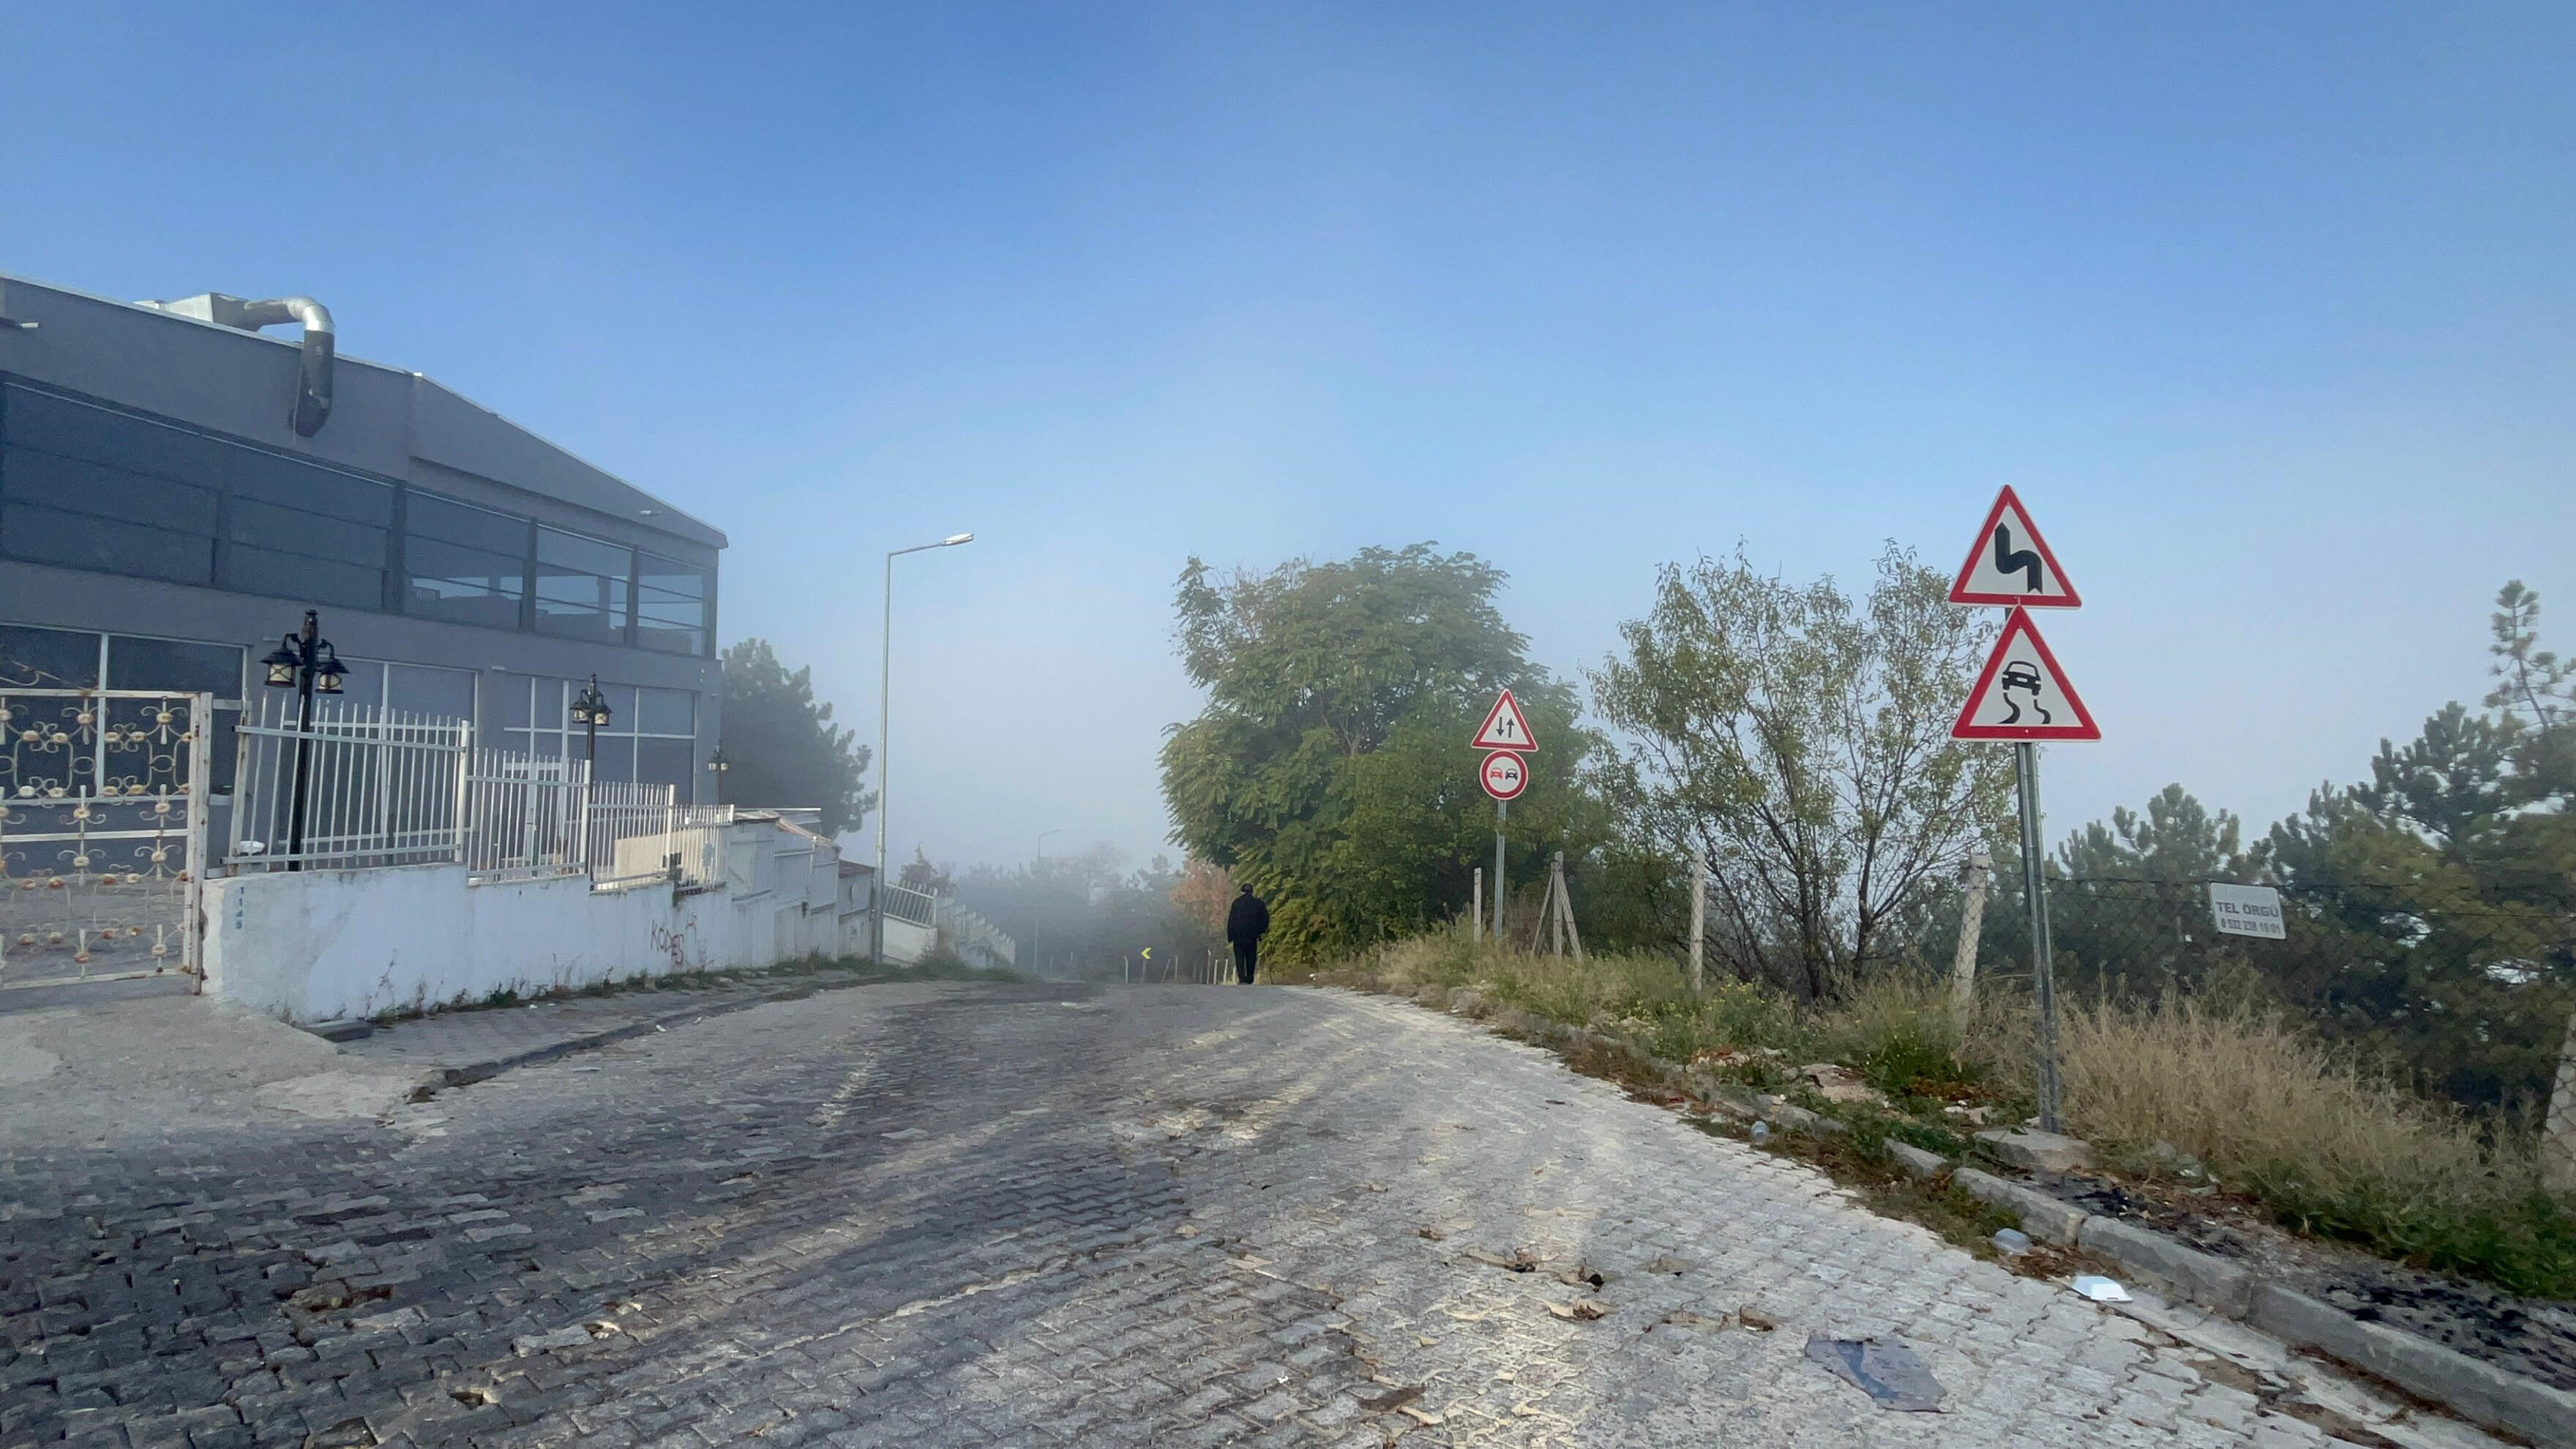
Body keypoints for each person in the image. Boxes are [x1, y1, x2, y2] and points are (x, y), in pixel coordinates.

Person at [1224, 883, 1270, 985]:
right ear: (1252, 891)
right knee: (1251, 957)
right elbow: (1265, 919)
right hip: (1252, 936)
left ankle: (1242, 978)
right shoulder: (1258, 903)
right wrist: (1262, 931)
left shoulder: (1237, 903)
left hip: (1238, 936)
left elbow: (1232, 920)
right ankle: (1249, 978)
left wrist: (1230, 935)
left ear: (1242, 890)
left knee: (1239, 957)